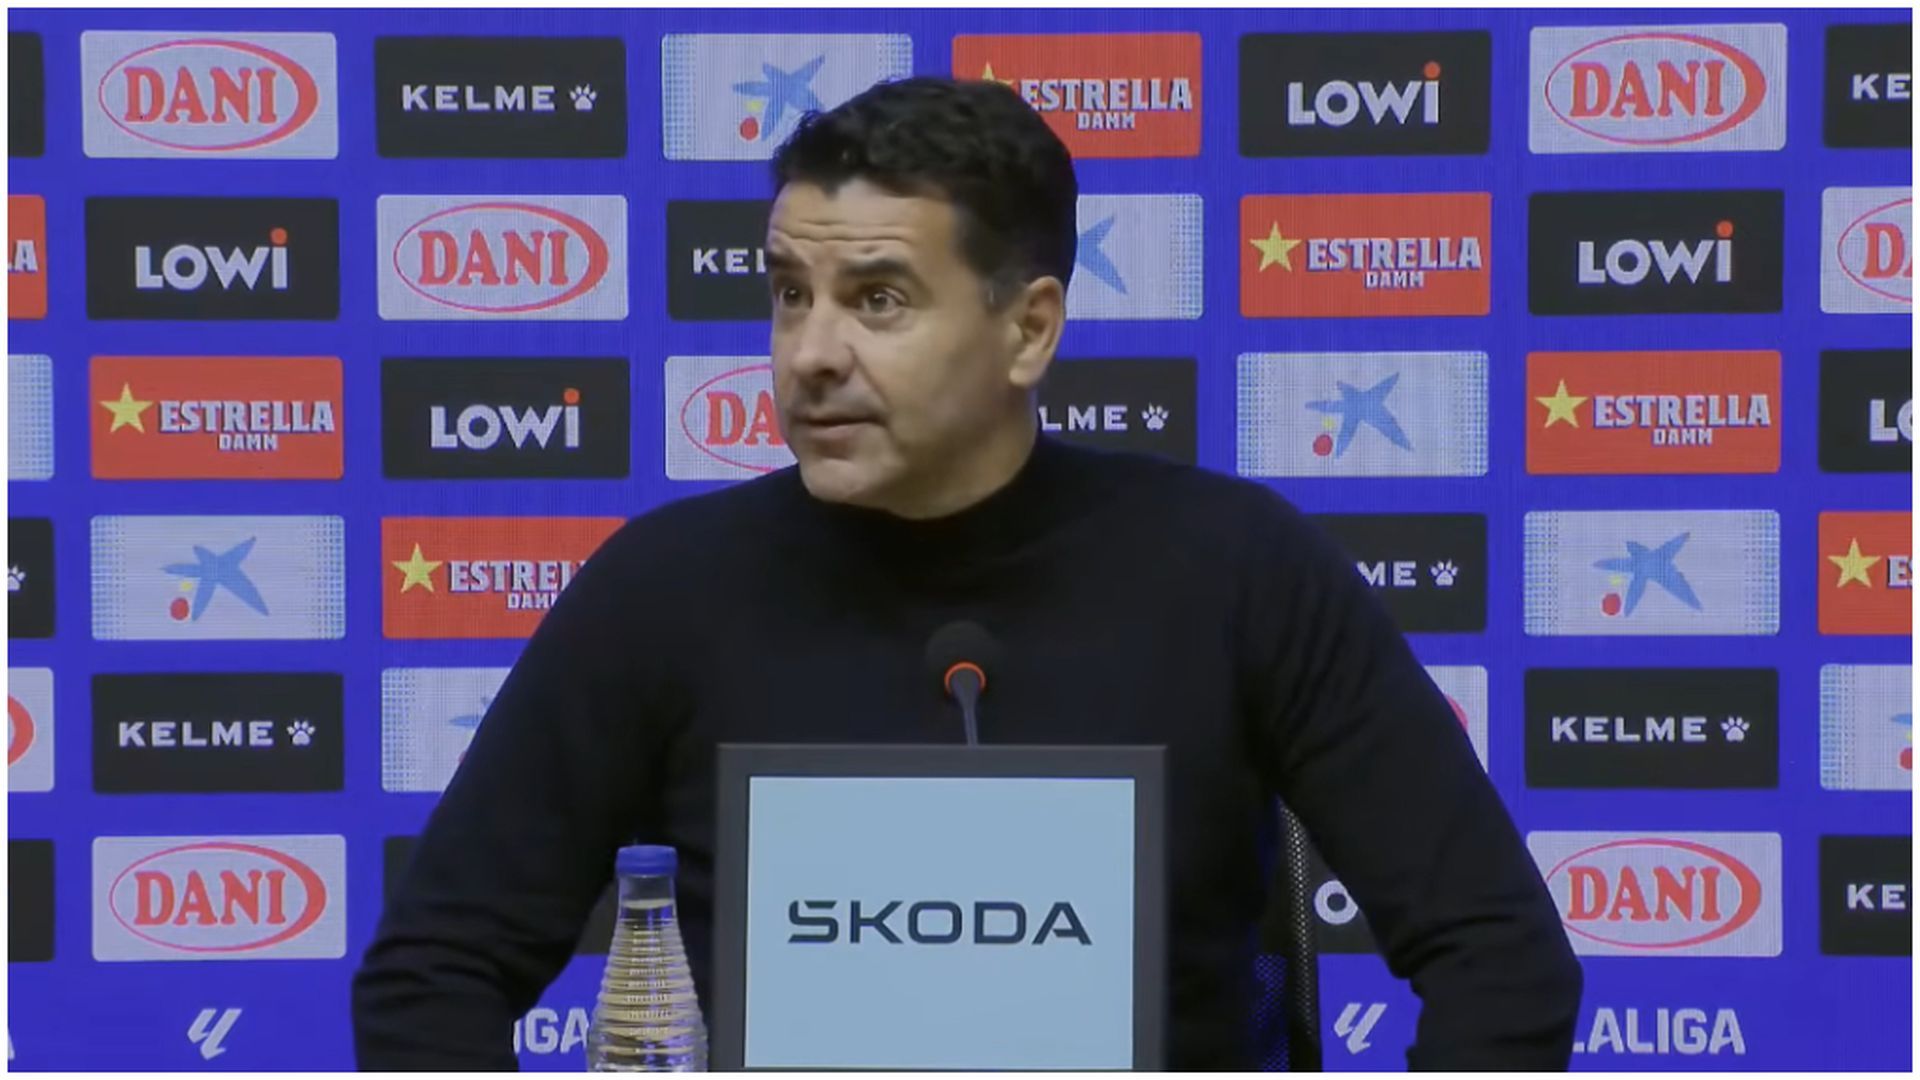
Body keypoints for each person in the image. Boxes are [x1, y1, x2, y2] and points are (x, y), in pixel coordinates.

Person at [352, 75, 1581, 1071]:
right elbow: (433, 976)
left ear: (1028, 329)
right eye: (789, 294)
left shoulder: (1238, 569)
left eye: (878, 300)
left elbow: (1500, 959)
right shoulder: (666, 589)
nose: (810, 354)